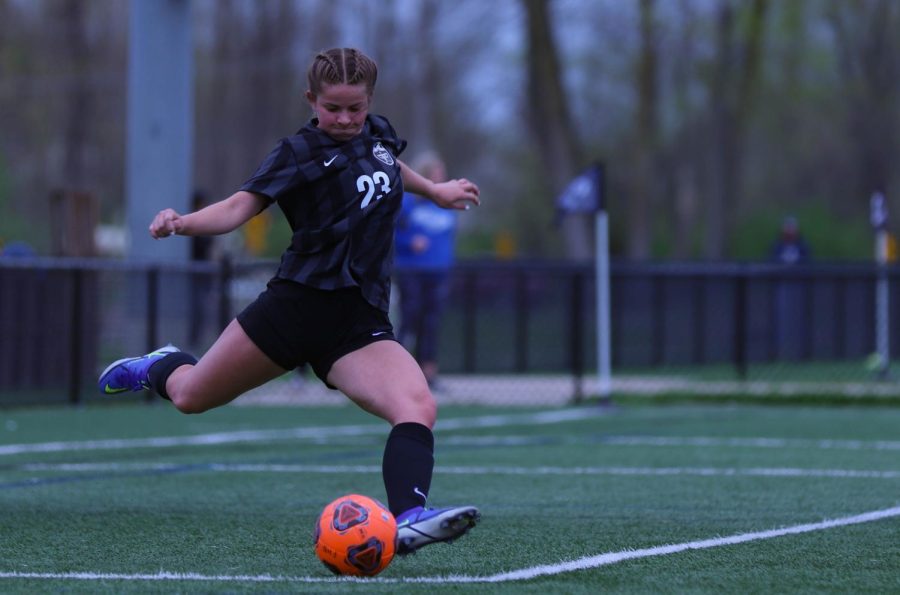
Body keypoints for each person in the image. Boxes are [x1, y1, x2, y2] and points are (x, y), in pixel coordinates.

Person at [98, 48, 481, 556]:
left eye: (355, 108)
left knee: (417, 406)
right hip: (294, 307)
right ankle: (159, 364)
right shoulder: (297, 152)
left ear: (369, 103)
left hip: (357, 319)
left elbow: (390, 165)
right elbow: (238, 208)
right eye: (333, 108)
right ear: (311, 100)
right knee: (192, 397)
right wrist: (183, 222)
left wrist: (435, 190)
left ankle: (409, 518)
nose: (345, 119)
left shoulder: (378, 134)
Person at [394, 152, 456, 388]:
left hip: (438, 272)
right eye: (437, 173)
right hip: (412, 270)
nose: (442, 177)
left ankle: (427, 375)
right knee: (410, 318)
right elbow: (390, 234)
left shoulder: (446, 204)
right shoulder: (407, 203)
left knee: (431, 323)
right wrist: (410, 242)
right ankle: (395, 372)